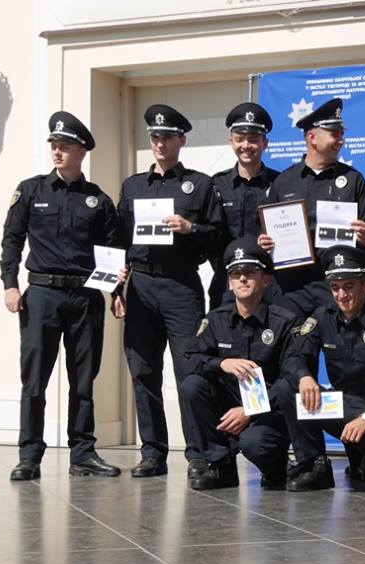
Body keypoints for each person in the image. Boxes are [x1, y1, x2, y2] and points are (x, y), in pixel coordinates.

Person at [0, 111, 123, 481]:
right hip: (42, 296)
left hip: (85, 298)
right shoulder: (31, 191)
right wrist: (10, 284)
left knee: (83, 380)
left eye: (65, 146)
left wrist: (117, 291)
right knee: (34, 379)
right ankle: (29, 456)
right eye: (54, 145)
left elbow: (113, 251)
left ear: (81, 152)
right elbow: (11, 240)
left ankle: (82, 453)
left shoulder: (98, 200)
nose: (57, 151)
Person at [113, 103, 226, 478]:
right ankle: (152, 452)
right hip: (141, 285)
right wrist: (116, 288)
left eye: (167, 137)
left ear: (182, 140)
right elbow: (117, 241)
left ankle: (198, 453)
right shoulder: (133, 186)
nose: (160, 144)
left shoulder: (200, 184)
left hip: (181, 285)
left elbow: (219, 238)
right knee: (143, 369)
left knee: (190, 371)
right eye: (154, 137)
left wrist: (191, 228)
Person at [284, 245, 365, 492]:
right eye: (335, 287)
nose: (341, 295)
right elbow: (294, 355)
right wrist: (305, 377)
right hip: (342, 404)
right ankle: (314, 465)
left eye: (349, 286)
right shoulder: (322, 316)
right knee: (288, 388)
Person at [179, 240, 297, 490]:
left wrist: (250, 409)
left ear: (265, 280)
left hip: (268, 410)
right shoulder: (216, 320)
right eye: (235, 274)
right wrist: (222, 363)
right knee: (192, 386)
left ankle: (276, 467)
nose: (242, 279)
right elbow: (190, 359)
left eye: (250, 273)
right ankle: (221, 466)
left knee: (255, 443)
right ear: (229, 284)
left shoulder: (284, 322)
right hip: (229, 403)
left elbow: (290, 380)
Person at [265, 98, 365, 318]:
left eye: (342, 134)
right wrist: (266, 242)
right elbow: (267, 230)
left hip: (337, 285)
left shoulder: (353, 179)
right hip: (292, 288)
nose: (341, 140)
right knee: (290, 339)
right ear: (312, 138)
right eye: (335, 134)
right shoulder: (284, 181)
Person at [210, 102, 281, 309]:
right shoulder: (216, 184)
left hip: (269, 284)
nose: (246, 145)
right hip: (227, 283)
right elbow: (210, 235)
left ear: (265, 143)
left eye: (253, 140)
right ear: (231, 141)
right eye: (240, 139)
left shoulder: (281, 184)